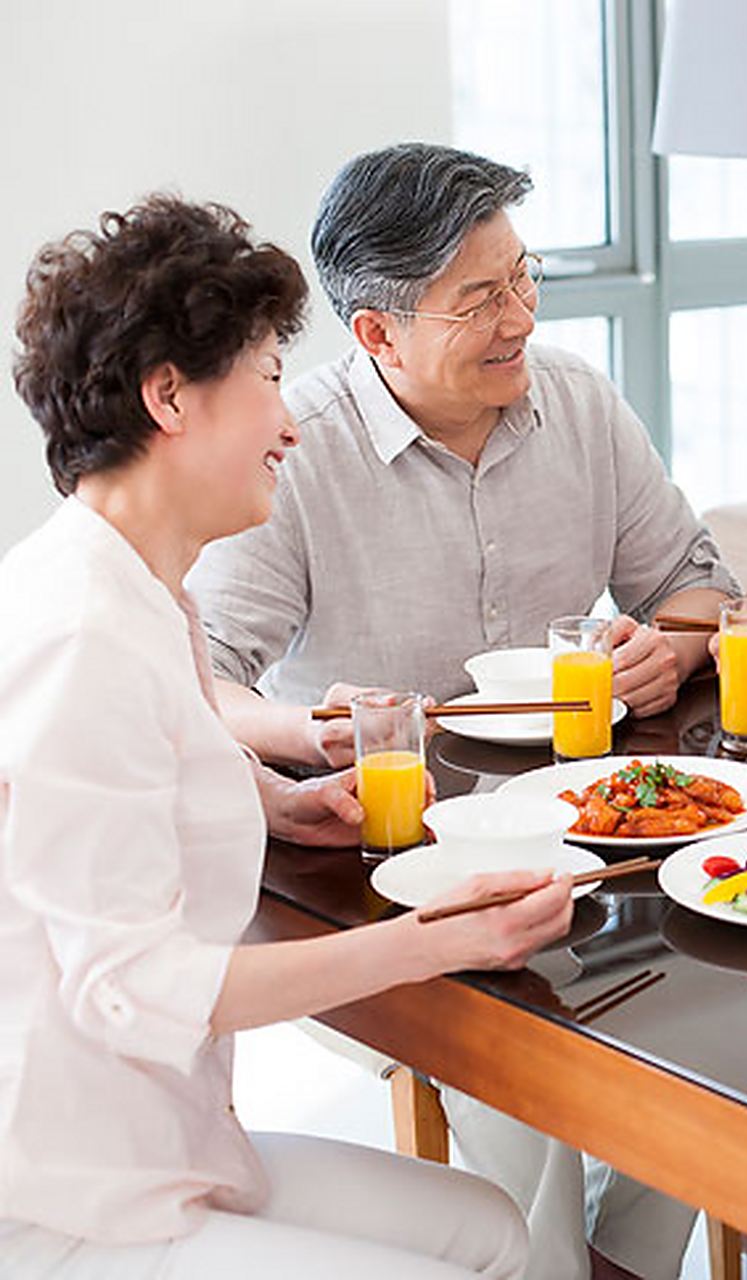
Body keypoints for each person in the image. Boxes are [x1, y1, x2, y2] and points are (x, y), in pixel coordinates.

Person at [1, 196, 576, 1278]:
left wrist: (275, 801)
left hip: (170, 1133)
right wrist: (435, 939)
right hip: (68, 1194)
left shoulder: (135, 586)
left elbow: (155, 755)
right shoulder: (78, 630)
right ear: (169, 395)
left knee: (493, 1230)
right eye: (267, 378)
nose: (292, 421)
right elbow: (131, 984)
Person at [189, 143, 736, 769]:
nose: (521, 321)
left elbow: (697, 587)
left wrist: (667, 651)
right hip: (378, 812)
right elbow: (201, 681)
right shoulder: (295, 450)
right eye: (480, 302)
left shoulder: (580, 401)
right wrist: (309, 732)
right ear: (378, 334)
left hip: (575, 791)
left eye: (521, 277)